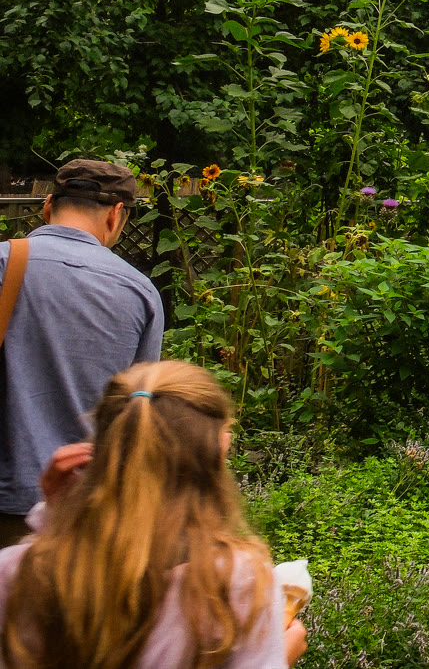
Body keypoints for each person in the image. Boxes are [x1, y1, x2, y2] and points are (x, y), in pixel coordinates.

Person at [0, 360, 306, 667]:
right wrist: (279, 657)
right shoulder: (239, 584)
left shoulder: (17, 573)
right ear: (217, 455)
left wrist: (57, 520)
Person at [0, 159, 164, 542]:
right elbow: (138, 411)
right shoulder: (140, 292)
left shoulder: (4, 263)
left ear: (47, 205)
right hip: (81, 512)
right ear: (116, 214)